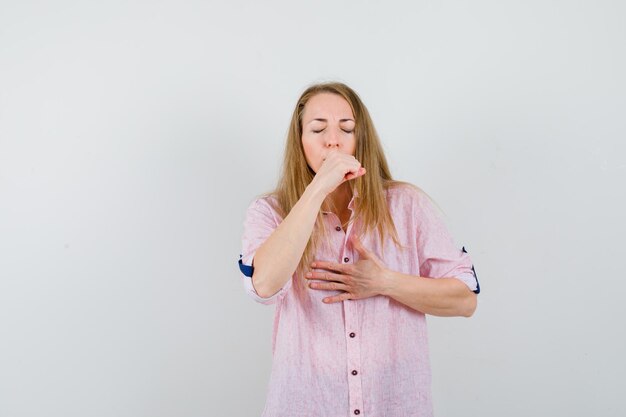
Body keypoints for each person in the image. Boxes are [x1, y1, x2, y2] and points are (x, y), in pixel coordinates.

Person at [237, 82, 480, 417]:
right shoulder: (269, 212)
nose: (332, 139)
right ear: (300, 141)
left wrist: (384, 282)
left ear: (360, 140)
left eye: (346, 128)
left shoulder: (407, 205)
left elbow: (465, 299)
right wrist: (319, 187)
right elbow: (262, 285)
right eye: (318, 128)